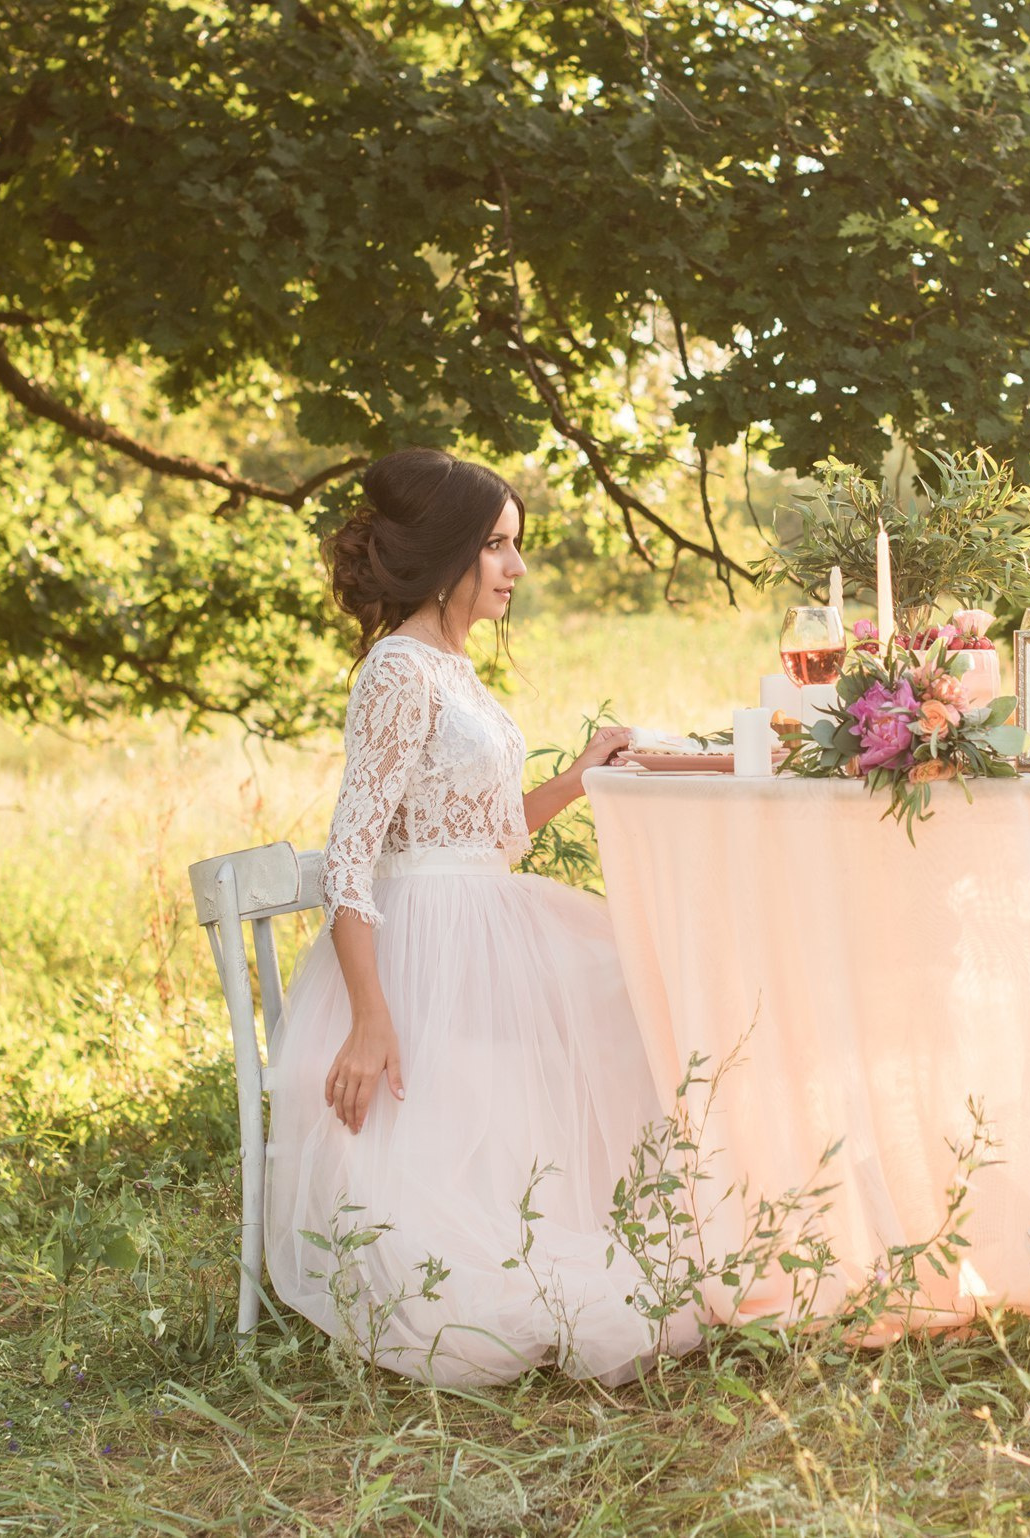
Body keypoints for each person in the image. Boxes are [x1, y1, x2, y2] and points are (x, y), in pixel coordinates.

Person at [263, 447, 694, 1384]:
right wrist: (372, 1016)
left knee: (639, 981)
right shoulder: (399, 672)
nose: (517, 568)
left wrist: (579, 779)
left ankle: (613, 1213)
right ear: (452, 552)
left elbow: (492, 837)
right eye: (498, 547)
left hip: (486, 908)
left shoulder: (455, 669)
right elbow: (353, 855)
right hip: (424, 936)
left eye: (516, 546)